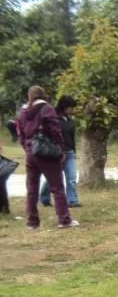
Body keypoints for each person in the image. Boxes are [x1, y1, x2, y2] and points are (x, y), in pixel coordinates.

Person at [16, 86, 77, 229]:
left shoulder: (23, 111)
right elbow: (55, 130)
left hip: (31, 152)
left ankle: (32, 222)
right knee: (57, 187)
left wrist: (27, 147)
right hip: (46, 152)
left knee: (31, 188)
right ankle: (64, 220)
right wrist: (60, 150)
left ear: (29, 96)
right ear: (43, 95)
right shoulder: (46, 109)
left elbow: (20, 133)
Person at [41, 95, 80, 208]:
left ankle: (72, 200)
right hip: (57, 153)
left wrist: (73, 150)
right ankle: (44, 198)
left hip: (69, 153)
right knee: (53, 178)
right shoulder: (53, 119)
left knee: (72, 178)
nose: (72, 110)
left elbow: (72, 137)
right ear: (65, 107)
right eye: (71, 107)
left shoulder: (70, 120)